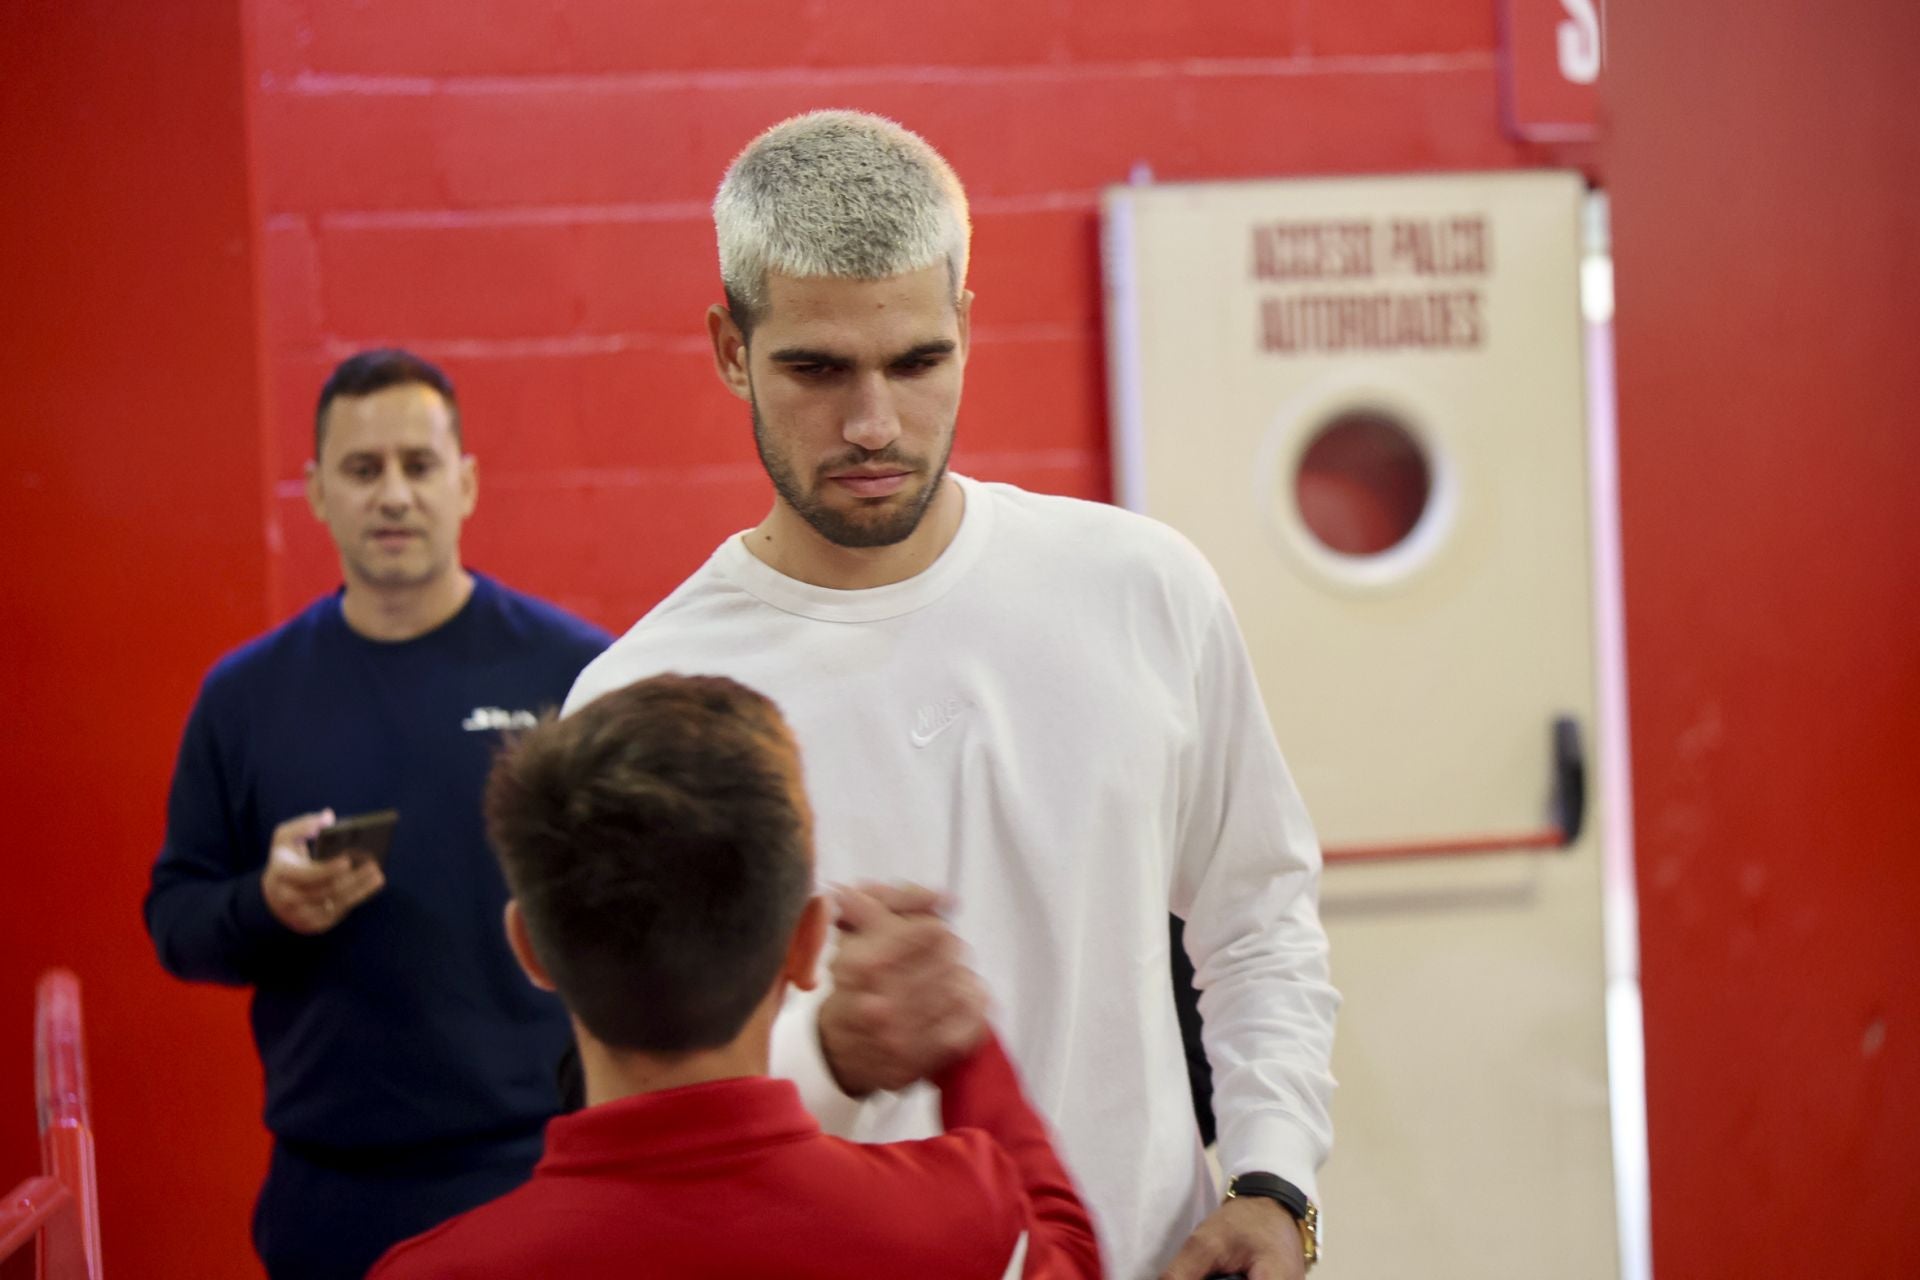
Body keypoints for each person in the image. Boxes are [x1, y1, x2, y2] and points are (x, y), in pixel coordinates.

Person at [564, 111, 1338, 1280]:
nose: (873, 423)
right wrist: (825, 1050)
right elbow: (643, 1100)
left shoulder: (1142, 586)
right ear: (732, 347)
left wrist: (1275, 1179)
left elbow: (1258, 914)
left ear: (968, 327)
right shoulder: (645, 700)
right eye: (817, 368)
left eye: (916, 361)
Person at [367, 673, 1102, 1279]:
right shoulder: (962, 1223)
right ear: (805, 945)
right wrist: (961, 1042)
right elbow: (1064, 1245)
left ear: (529, 948)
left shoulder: (430, 1271)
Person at [143, 349, 611, 1280]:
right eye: (363, 470)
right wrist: (267, 905)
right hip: (333, 1193)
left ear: (466, 483)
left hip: (540, 1174)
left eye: (418, 465)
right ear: (317, 492)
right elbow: (175, 922)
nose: (393, 494)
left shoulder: (575, 675)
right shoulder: (244, 698)